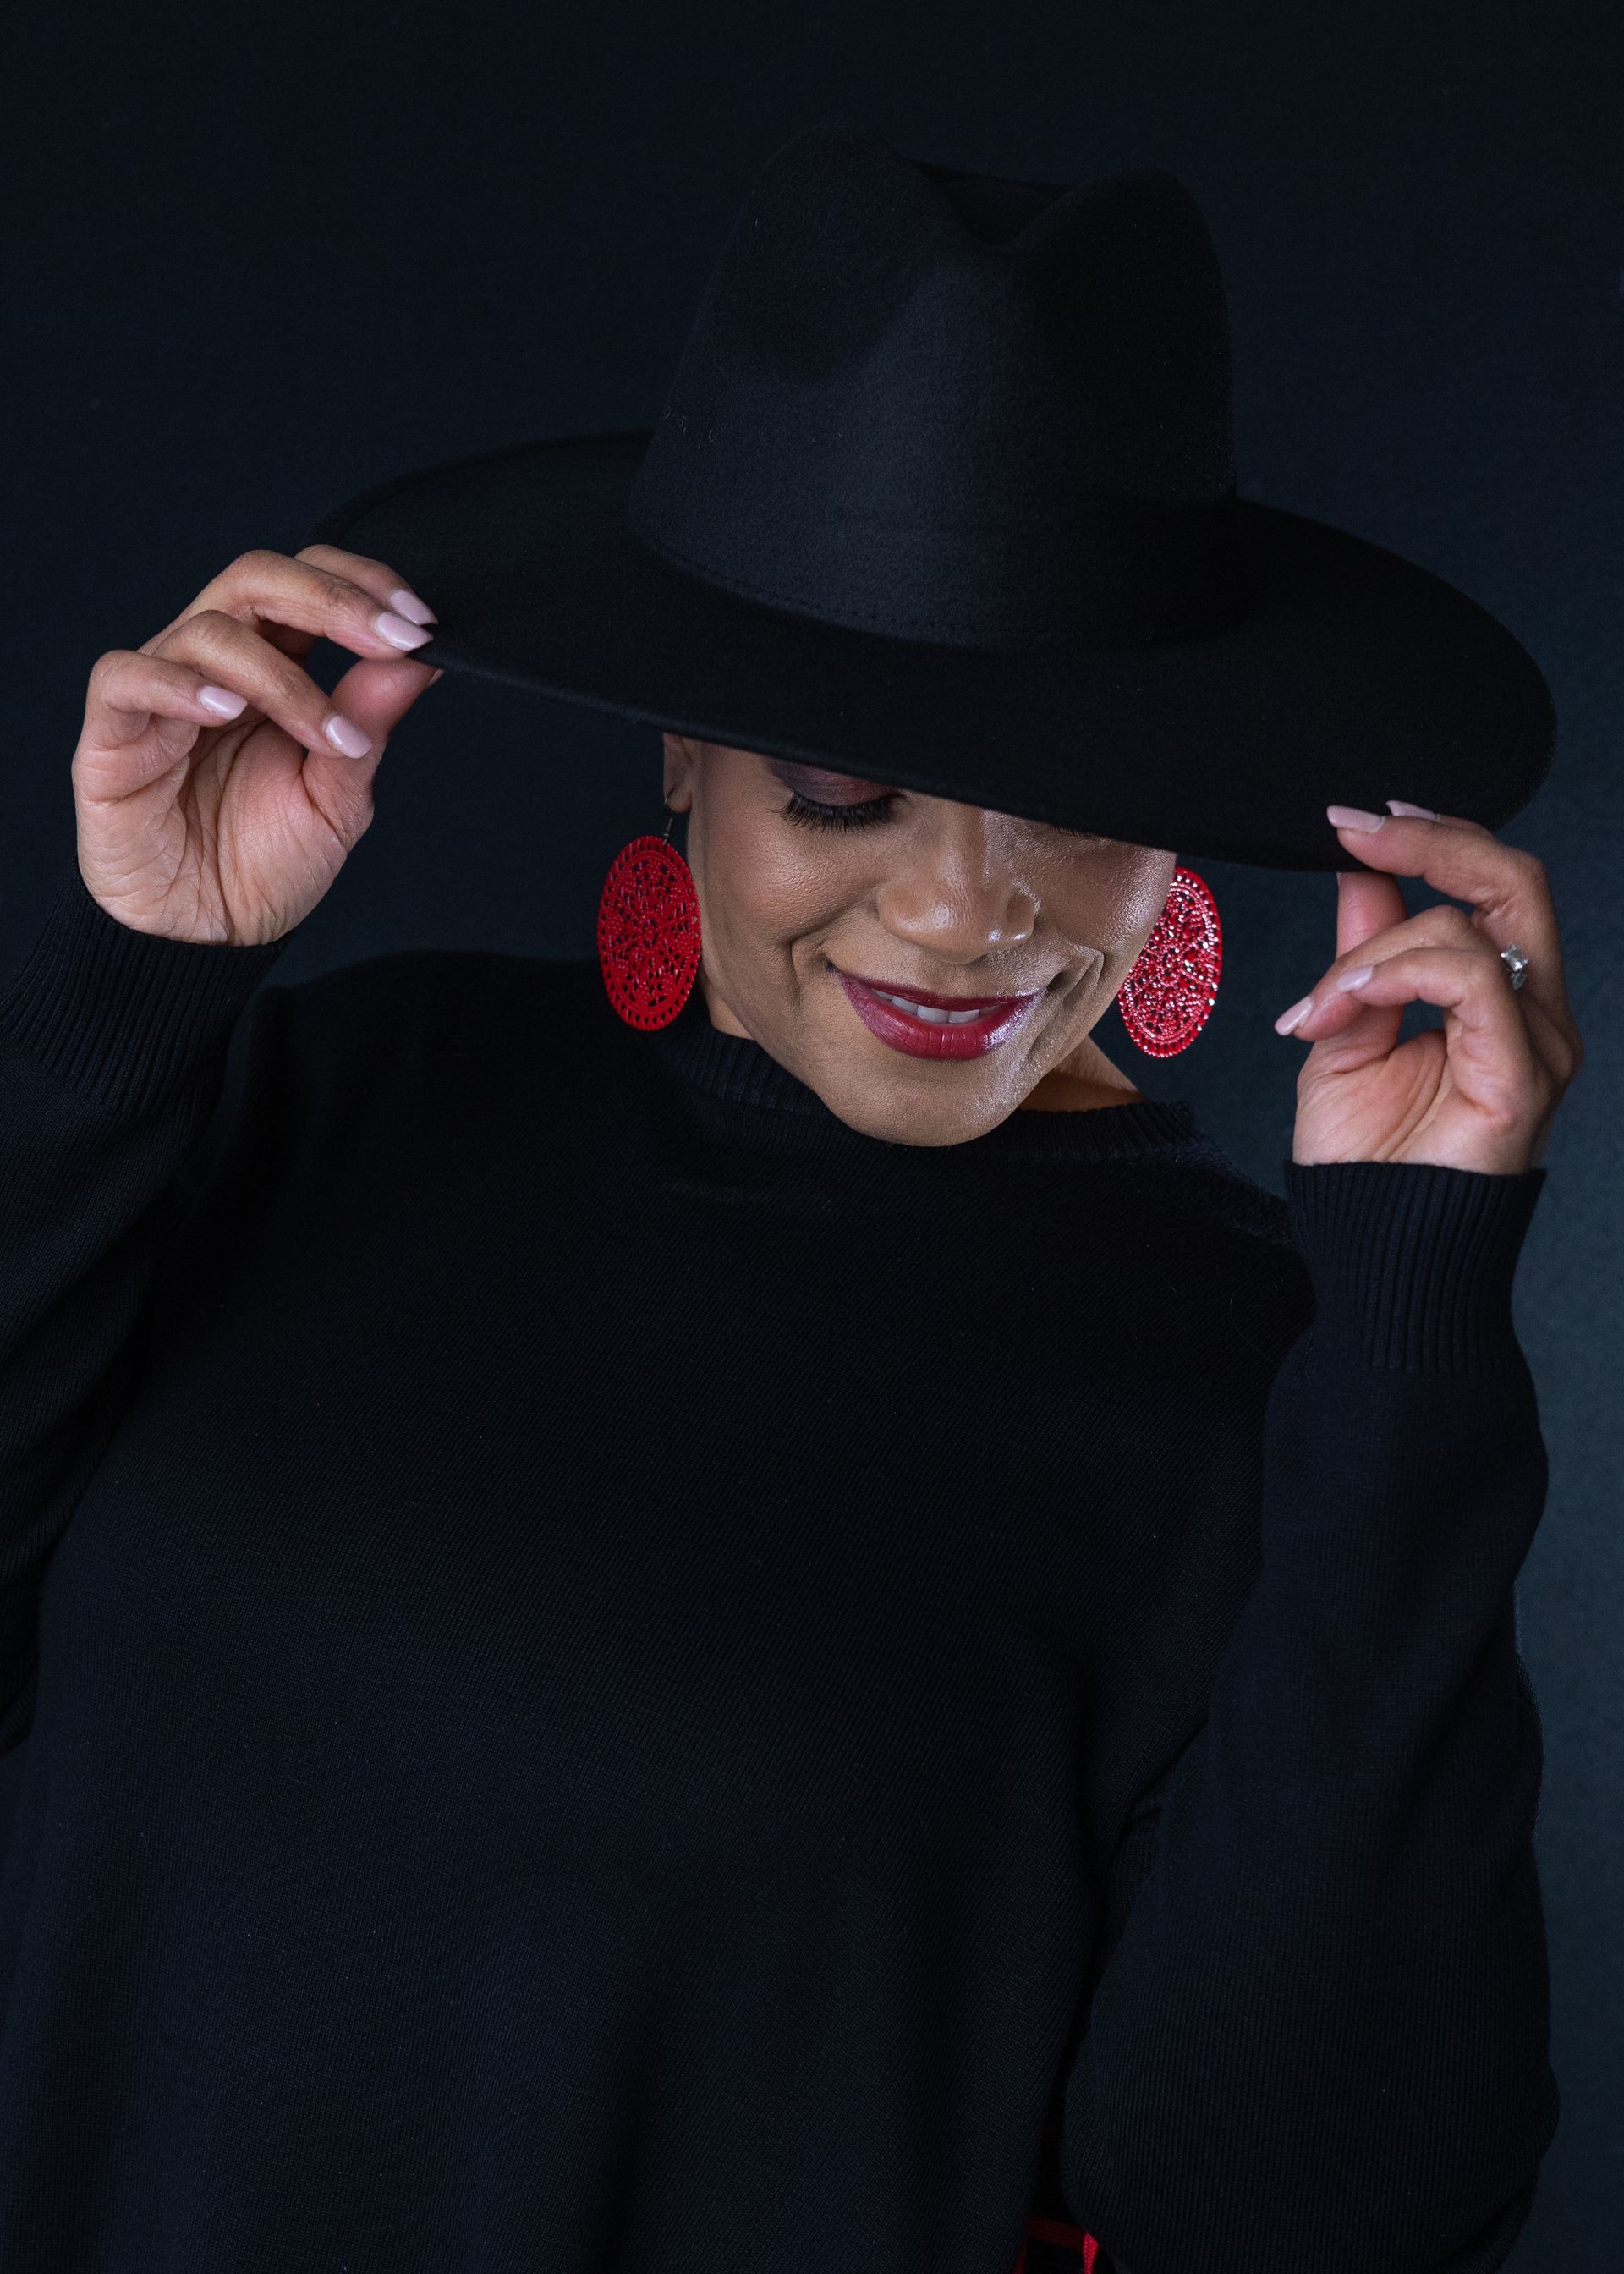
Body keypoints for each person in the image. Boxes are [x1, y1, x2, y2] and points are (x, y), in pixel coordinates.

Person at [0, 121, 1582, 2274]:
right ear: (681, 748)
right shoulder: (362, 1084)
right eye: (845, 783)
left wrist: (1409, 1324)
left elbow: (1305, 2209)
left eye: (1084, 809)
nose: (961, 910)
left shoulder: (1280, 1393)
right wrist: (136, 988)